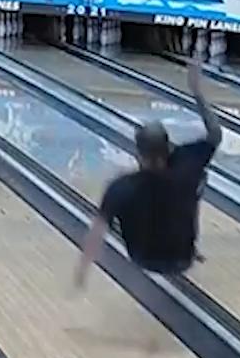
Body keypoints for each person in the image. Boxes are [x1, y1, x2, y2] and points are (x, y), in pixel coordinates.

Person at [73, 60, 223, 290]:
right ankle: (190, 245)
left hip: (143, 257)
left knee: (112, 207)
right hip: (182, 257)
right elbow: (215, 134)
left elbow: (96, 234)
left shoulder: (122, 186)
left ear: (138, 153)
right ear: (169, 148)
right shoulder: (187, 164)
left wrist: (81, 272)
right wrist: (197, 91)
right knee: (198, 179)